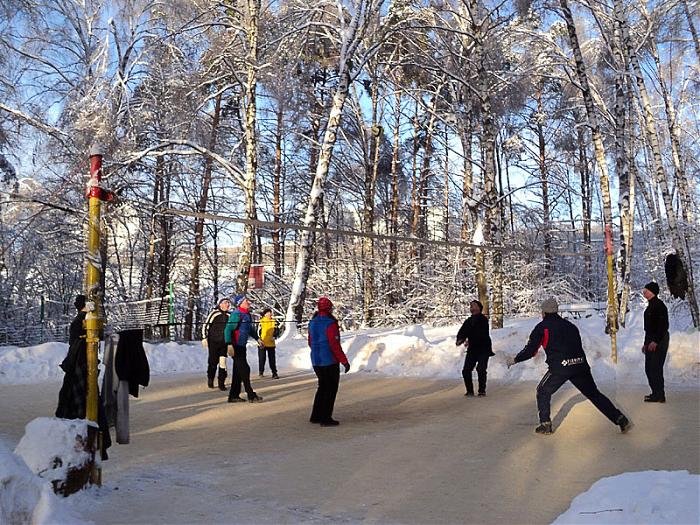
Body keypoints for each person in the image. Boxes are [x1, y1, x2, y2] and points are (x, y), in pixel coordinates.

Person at [506, 297, 631, 435]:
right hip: (580, 365)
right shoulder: (570, 326)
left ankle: (545, 424)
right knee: (594, 394)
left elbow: (531, 350)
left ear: (544, 312)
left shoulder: (542, 327)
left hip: (561, 367)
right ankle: (620, 418)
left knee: (542, 391)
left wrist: (515, 359)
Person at [308, 297, 350, 427]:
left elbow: (310, 342)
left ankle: (316, 415)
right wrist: (344, 361)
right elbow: (334, 344)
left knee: (322, 387)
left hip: (316, 360)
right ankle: (326, 418)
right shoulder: (330, 323)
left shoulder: (312, 322)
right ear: (329, 308)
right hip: (329, 361)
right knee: (330, 389)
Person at [225, 295, 263, 403]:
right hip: (235, 346)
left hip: (242, 346)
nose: (248, 302)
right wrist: (228, 344)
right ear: (240, 303)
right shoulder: (237, 314)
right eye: (246, 301)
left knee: (238, 371)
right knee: (245, 369)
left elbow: (249, 329)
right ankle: (250, 394)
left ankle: (233, 395)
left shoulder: (247, 314)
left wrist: (257, 338)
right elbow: (228, 328)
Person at [456, 300, 494, 396]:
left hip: (483, 348)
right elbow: (463, 331)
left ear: (479, 308)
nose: (472, 308)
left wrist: (469, 339)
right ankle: (469, 391)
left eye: (474, 306)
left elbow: (480, 332)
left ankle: (482, 390)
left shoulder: (483, 320)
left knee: (481, 369)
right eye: (471, 306)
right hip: (472, 349)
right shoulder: (468, 321)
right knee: (466, 370)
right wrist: (460, 339)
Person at [642, 282, 669, 403]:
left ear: (652, 292)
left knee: (655, 368)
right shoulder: (650, 306)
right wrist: (646, 343)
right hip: (650, 339)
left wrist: (655, 341)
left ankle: (660, 395)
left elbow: (663, 326)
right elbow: (648, 328)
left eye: (646, 290)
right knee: (649, 368)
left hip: (660, 340)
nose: (644, 292)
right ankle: (655, 393)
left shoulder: (659, 306)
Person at [202, 297, 231, 390]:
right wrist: (204, 338)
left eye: (229, 303)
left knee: (223, 362)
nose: (228, 305)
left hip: (224, 343)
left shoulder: (229, 316)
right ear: (220, 304)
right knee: (213, 362)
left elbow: (232, 329)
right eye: (226, 303)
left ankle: (221, 382)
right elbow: (206, 326)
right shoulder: (214, 314)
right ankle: (210, 378)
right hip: (213, 342)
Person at [258, 308, 279, 379]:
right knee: (262, 358)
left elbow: (277, 330)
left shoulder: (274, 321)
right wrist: (259, 339)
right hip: (262, 343)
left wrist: (274, 336)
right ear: (265, 314)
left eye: (270, 313)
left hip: (271, 343)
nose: (270, 314)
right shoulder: (261, 321)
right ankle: (261, 372)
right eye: (268, 313)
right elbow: (258, 331)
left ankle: (274, 373)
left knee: (272, 359)